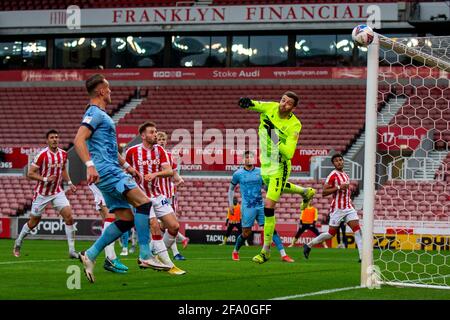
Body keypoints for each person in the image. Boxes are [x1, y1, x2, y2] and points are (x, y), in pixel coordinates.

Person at [74, 74, 171, 283]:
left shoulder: (101, 115)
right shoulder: (94, 113)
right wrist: (90, 165)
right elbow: (78, 140)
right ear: (100, 91)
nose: (111, 92)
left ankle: (90, 255)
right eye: (108, 89)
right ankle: (145, 255)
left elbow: (109, 148)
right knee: (144, 203)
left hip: (111, 170)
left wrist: (127, 166)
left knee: (126, 219)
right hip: (107, 172)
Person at [238, 93, 316, 264]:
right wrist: (246, 103)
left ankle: (265, 250)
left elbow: (288, 153)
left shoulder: (295, 124)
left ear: (294, 108)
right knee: (277, 188)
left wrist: (272, 134)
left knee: (268, 207)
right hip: (265, 164)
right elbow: (255, 104)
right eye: (283, 100)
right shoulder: (271, 107)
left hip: (280, 166)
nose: (283, 104)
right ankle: (305, 192)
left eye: (288, 104)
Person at [125, 121, 186, 275]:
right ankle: (169, 265)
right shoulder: (132, 152)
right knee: (154, 224)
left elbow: (169, 171)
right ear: (143, 135)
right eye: (152, 132)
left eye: (155, 131)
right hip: (141, 197)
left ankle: (153, 254)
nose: (155, 134)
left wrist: (155, 174)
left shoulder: (160, 150)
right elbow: (124, 172)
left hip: (158, 195)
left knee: (174, 226)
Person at [14, 129, 78, 259]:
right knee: (33, 222)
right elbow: (30, 173)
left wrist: (70, 182)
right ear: (47, 140)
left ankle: (72, 251)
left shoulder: (63, 154)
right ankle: (18, 241)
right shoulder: (42, 155)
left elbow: (63, 169)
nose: (54, 139)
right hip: (42, 194)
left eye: (56, 137)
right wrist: (45, 179)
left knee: (69, 217)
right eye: (52, 137)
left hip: (57, 191)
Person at [228, 151, 294, 263]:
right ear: (243, 160)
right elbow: (231, 189)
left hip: (261, 205)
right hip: (247, 207)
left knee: (271, 229)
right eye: (247, 157)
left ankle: (283, 255)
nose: (249, 159)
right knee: (246, 233)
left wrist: (274, 196)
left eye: (251, 157)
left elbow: (265, 187)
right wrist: (230, 204)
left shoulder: (261, 172)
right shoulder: (237, 174)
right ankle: (235, 251)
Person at [303, 153, 363, 262]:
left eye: (340, 160)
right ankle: (309, 245)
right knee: (331, 234)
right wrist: (339, 187)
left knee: (358, 230)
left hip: (348, 208)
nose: (339, 162)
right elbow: (324, 192)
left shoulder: (345, 174)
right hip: (337, 209)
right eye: (336, 161)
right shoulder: (332, 175)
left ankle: (362, 257)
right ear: (333, 163)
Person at [155, 131, 189, 260]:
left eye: (163, 139)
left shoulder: (169, 156)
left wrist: (179, 180)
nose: (162, 141)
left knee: (167, 225)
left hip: (169, 194)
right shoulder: (151, 155)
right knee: (161, 225)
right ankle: (180, 243)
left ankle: (171, 252)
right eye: (159, 139)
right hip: (155, 194)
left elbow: (174, 173)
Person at [88, 183, 128, 273]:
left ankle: (110, 259)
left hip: (98, 181)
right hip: (101, 181)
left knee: (108, 218)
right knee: (112, 217)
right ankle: (110, 258)